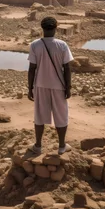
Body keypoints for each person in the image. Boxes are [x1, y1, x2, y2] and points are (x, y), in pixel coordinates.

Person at [27, 16, 74, 155]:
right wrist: (68, 87)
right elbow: (67, 68)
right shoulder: (62, 45)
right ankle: (61, 146)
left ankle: (38, 146)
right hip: (59, 86)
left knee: (39, 116)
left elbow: (32, 68)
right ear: (55, 28)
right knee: (61, 116)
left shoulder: (35, 45)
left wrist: (30, 88)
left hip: (40, 85)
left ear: (42, 29)